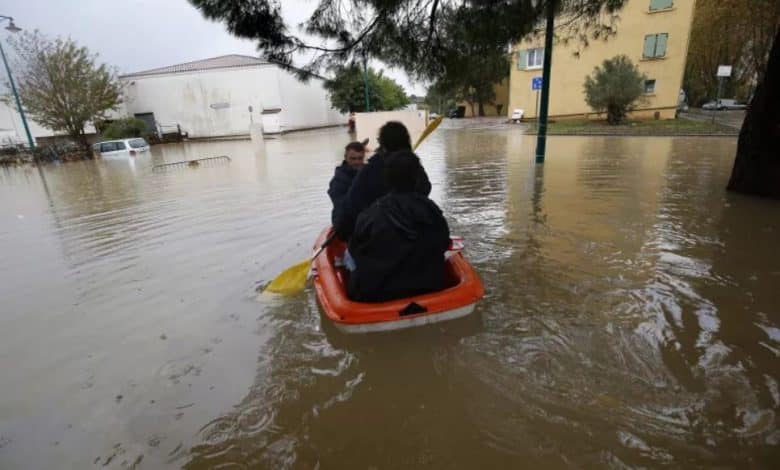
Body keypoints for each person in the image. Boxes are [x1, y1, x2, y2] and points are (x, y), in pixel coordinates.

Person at [347, 150, 450, 302]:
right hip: (429, 286)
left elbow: (355, 249)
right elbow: (444, 243)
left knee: (348, 257)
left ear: (387, 179)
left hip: (378, 293)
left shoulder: (369, 214)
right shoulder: (431, 210)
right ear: (417, 178)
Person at [334, 121, 431, 241]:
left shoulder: (372, 169)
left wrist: (343, 231)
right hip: (412, 233)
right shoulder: (415, 165)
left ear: (382, 143)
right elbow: (426, 189)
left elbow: (352, 206)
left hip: (378, 236)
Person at [328, 141, 366, 225]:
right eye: (353, 159)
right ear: (345, 157)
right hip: (345, 222)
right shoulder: (338, 180)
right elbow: (343, 206)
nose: (356, 162)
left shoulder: (368, 172)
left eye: (360, 158)